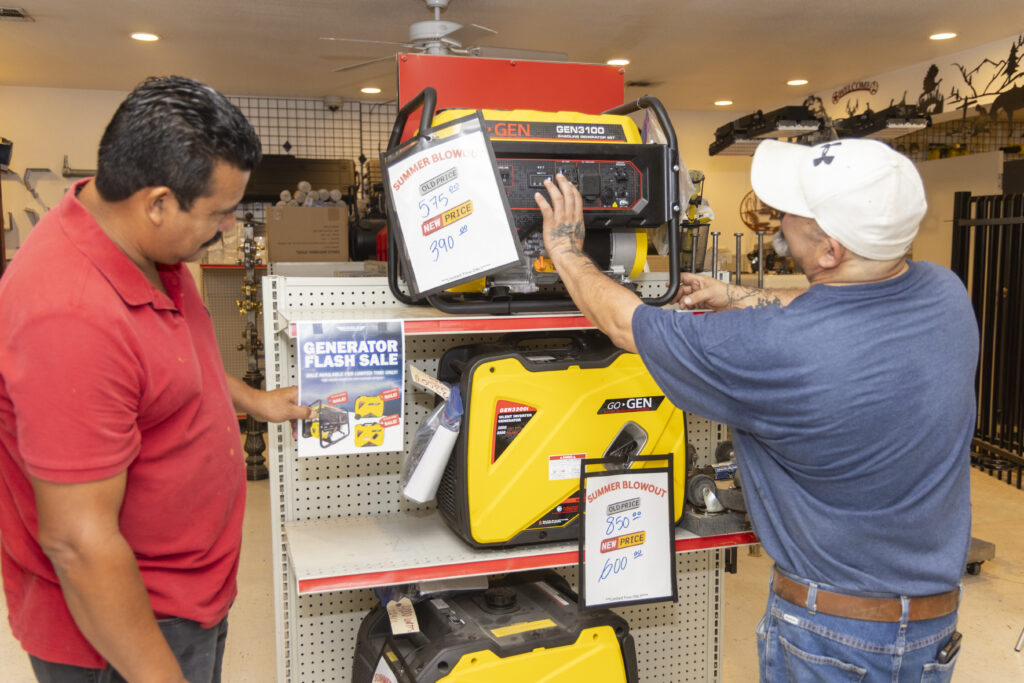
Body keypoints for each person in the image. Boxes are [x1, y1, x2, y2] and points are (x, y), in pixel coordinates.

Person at [535, 138, 978, 681]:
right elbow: (831, 307)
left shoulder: (771, 349)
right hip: (933, 626)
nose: (779, 220)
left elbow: (627, 324)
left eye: (792, 212)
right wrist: (736, 294)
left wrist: (564, 249)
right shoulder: (946, 295)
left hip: (831, 633)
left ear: (830, 251)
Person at [0, 76, 310, 682]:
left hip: (185, 598)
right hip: (123, 630)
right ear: (159, 202)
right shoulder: (72, 315)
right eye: (220, 213)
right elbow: (79, 543)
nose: (226, 228)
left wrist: (254, 401)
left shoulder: (146, 250)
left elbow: (167, 368)